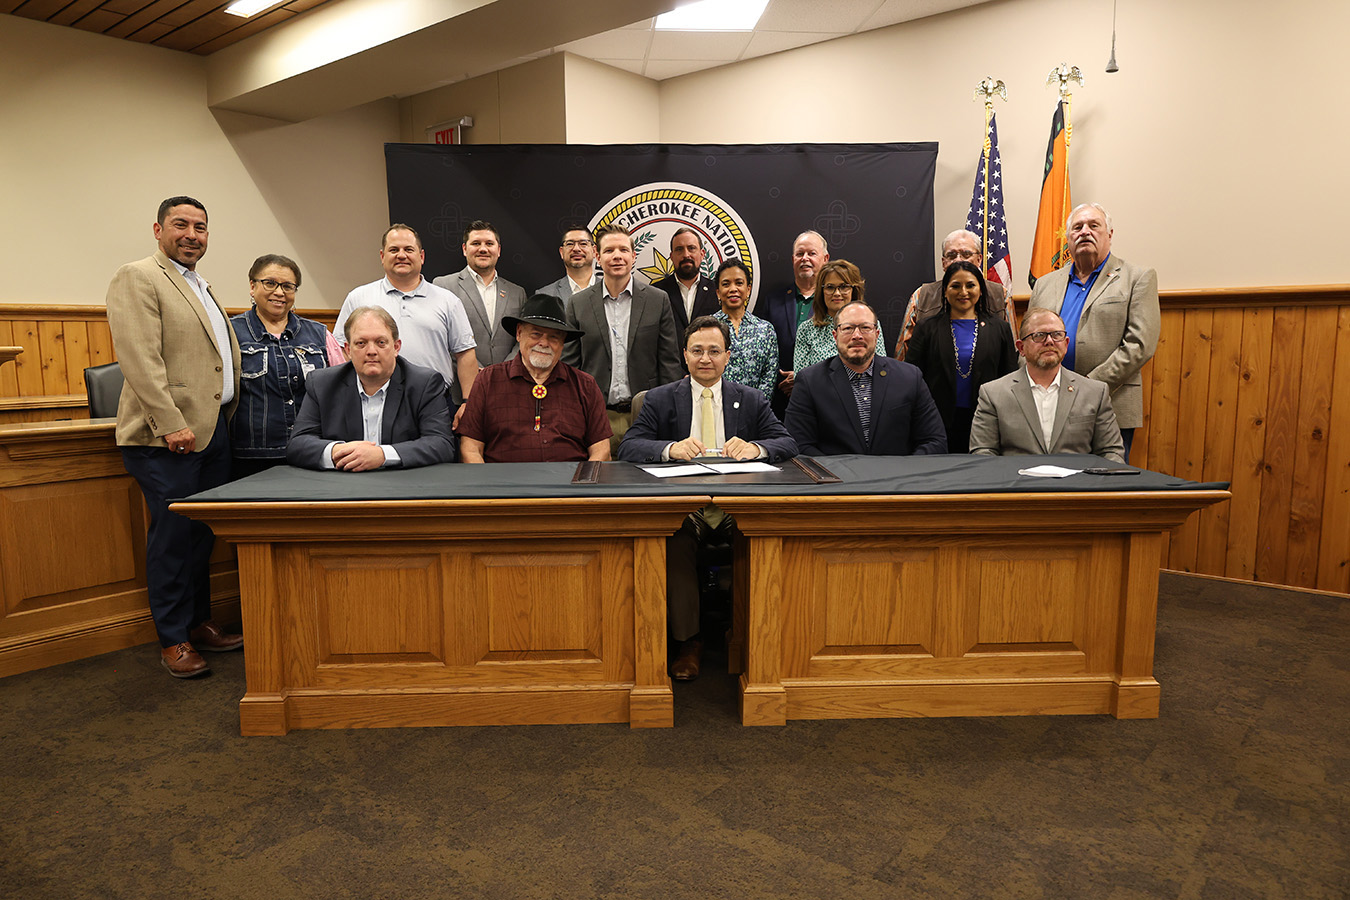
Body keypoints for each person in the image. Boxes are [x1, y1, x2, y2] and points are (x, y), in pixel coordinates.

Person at [105, 196, 243, 679]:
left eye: (200, 227)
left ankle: (198, 623)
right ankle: (173, 639)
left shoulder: (199, 284)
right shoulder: (139, 276)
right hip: (167, 438)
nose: (191, 234)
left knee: (201, 536)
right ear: (158, 229)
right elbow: (139, 359)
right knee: (172, 538)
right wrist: (170, 423)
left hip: (211, 430)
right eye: (180, 224)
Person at [618, 316, 798, 680]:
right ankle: (689, 641)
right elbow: (628, 446)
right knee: (674, 538)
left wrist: (756, 448)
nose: (705, 358)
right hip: (686, 506)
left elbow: (787, 442)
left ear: (728, 356)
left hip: (736, 505)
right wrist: (669, 448)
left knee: (761, 533)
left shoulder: (751, 399)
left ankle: (752, 636)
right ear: (684, 354)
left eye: (714, 351)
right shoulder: (658, 399)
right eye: (697, 350)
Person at [1026, 202, 1160, 460]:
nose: (1085, 231)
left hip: (1110, 402)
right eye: (1077, 227)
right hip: (1047, 403)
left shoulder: (1137, 278)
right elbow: (1029, 341)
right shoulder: (1044, 284)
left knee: (1106, 479)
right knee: (1050, 477)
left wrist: (1088, 387)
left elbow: (1140, 344)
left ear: (1109, 234)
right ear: (1068, 238)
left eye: (1093, 225)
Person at [287, 306, 455, 470]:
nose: (371, 351)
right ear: (348, 350)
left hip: (404, 481)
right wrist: (338, 451)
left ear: (396, 347)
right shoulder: (322, 384)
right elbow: (298, 444)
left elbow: (441, 443)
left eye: (381, 342)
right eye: (361, 343)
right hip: (342, 481)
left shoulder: (424, 383)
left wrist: (383, 455)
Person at [562, 223, 682, 450]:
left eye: (623, 250)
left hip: (646, 417)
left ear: (633, 256)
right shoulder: (578, 304)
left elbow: (669, 364)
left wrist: (669, 417)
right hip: (595, 418)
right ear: (598, 256)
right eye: (609, 250)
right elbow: (570, 367)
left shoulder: (658, 300)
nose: (617, 256)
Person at [456, 294, 612, 463]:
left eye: (554, 337)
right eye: (536, 334)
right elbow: (470, 448)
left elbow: (602, 451)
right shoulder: (488, 380)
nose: (544, 343)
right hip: (503, 480)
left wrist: (582, 480)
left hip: (571, 479)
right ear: (519, 333)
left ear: (563, 343)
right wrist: (488, 481)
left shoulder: (585, 385)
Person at [334, 224, 479, 403]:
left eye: (408, 249)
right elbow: (341, 352)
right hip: (371, 400)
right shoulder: (358, 298)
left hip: (433, 401)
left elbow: (465, 354)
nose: (401, 255)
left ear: (421, 256)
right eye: (394, 250)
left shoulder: (448, 301)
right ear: (382, 256)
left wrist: (468, 403)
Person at [785, 300, 946, 456]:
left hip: (898, 474)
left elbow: (934, 440)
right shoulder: (810, 382)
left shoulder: (909, 377)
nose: (857, 335)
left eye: (865, 328)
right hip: (834, 474)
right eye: (848, 328)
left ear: (877, 334)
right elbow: (799, 444)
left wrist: (905, 470)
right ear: (835, 335)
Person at [969, 309, 1125, 463]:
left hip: (1078, 479)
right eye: (1039, 335)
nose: (1049, 341)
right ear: (1021, 348)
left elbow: (1111, 452)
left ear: (1066, 344)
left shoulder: (1095, 393)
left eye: (1057, 335)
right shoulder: (993, 394)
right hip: (1016, 478)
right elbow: (983, 453)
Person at [229, 254, 332, 477]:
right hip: (251, 456)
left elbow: (340, 391)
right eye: (270, 283)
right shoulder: (230, 333)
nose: (279, 292)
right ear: (252, 286)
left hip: (311, 451)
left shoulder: (320, 334)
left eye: (287, 286)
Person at [905, 261, 1017, 454]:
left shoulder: (1000, 328)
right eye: (955, 286)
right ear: (945, 292)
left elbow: (1009, 377)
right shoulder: (926, 328)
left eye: (970, 285)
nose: (963, 292)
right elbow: (913, 376)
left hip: (987, 420)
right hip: (937, 421)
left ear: (980, 290)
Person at [894, 229, 1015, 360]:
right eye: (951, 255)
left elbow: (1012, 351)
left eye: (966, 254)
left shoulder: (1000, 295)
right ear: (943, 262)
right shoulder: (922, 295)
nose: (958, 260)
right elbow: (902, 355)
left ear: (979, 259)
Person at [432, 219, 526, 368]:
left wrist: (503, 371)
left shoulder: (517, 293)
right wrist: (474, 369)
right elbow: (440, 337)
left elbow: (523, 337)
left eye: (489, 244)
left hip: (507, 377)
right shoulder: (443, 286)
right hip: (461, 378)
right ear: (464, 249)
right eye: (476, 243)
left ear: (498, 250)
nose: (483, 249)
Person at [761, 230, 828, 415]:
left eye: (811, 253)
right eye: (800, 254)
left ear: (825, 259)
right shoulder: (773, 301)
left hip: (822, 400)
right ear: (793, 260)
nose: (805, 258)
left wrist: (800, 378)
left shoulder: (833, 302)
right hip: (780, 399)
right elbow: (765, 351)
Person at [792, 259, 886, 371]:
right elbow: (801, 376)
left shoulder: (870, 325)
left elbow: (880, 369)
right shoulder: (806, 330)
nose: (837, 293)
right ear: (821, 291)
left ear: (854, 290)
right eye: (830, 287)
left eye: (843, 287)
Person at [711, 258, 778, 398]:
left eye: (739, 283)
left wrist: (755, 406)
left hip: (756, 408)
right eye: (726, 284)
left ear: (748, 290)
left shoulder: (765, 330)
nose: (733, 289)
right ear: (718, 292)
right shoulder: (707, 328)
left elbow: (769, 377)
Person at [651, 227, 719, 335]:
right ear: (672, 257)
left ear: (702, 254)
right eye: (679, 249)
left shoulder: (717, 291)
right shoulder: (655, 292)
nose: (686, 255)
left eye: (691, 248)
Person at [535, 224, 600, 309]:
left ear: (594, 251)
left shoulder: (611, 292)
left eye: (583, 243)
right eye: (570, 244)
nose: (576, 249)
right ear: (561, 252)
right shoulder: (545, 296)